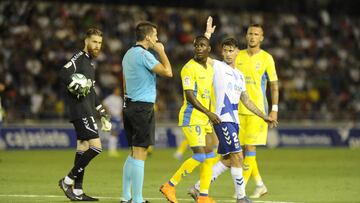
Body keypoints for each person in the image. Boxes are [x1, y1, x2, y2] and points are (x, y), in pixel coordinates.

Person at [189, 36, 278, 203]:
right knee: (238, 156)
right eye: (225, 50)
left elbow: (247, 100)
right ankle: (241, 197)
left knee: (229, 160)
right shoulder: (218, 67)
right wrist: (206, 36)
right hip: (222, 119)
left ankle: (197, 187)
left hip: (234, 121)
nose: (228, 54)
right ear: (221, 52)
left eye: (231, 50)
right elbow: (200, 55)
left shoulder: (239, 76)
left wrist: (264, 116)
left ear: (238, 52)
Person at [160, 36, 221, 203]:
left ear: (208, 49)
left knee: (209, 156)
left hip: (205, 118)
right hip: (192, 117)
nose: (200, 48)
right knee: (200, 156)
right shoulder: (188, 68)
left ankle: (203, 196)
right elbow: (190, 96)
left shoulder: (210, 68)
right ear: (194, 47)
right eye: (197, 45)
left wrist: (210, 114)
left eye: (203, 45)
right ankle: (170, 185)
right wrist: (209, 113)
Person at [120, 21, 172, 203]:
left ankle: (126, 196)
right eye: (155, 35)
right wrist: (162, 51)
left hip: (129, 105)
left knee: (134, 152)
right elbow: (168, 72)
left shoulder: (127, 54)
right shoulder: (145, 55)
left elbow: (124, 82)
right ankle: (138, 199)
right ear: (148, 36)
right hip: (143, 107)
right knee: (141, 153)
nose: (157, 39)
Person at [58, 28, 112, 201]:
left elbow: (92, 93)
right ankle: (67, 181)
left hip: (87, 110)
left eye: (99, 43)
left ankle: (79, 191)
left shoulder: (89, 64)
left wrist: (103, 113)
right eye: (94, 42)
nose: (97, 46)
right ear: (86, 41)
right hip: (81, 110)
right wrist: (73, 83)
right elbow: (63, 73)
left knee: (83, 148)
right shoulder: (79, 58)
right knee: (96, 147)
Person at [235, 23, 279, 198]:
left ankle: (241, 190)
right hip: (237, 109)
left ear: (262, 38)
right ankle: (260, 184)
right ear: (246, 36)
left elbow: (274, 86)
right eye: (250, 33)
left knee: (250, 147)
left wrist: (274, 109)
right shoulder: (237, 56)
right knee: (240, 150)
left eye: (256, 34)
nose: (252, 36)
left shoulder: (267, 58)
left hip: (258, 110)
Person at [102, 86, 123, 157]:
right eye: (117, 90)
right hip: (112, 117)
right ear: (114, 90)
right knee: (113, 133)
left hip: (118, 118)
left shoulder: (120, 99)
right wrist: (108, 112)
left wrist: (121, 117)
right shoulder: (110, 98)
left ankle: (113, 150)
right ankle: (111, 150)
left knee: (116, 133)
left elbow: (121, 109)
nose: (118, 91)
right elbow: (104, 103)